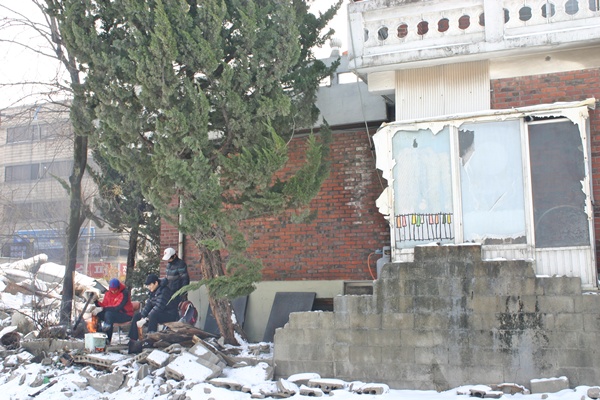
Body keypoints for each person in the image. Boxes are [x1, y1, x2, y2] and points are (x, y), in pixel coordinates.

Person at [128, 273, 179, 342]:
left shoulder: (164, 291)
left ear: (156, 283)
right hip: (160, 313)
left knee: (153, 315)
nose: (149, 287)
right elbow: (148, 305)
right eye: (148, 285)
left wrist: (146, 319)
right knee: (137, 316)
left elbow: (159, 307)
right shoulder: (153, 292)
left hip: (169, 314)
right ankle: (132, 339)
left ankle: (150, 339)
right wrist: (142, 316)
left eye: (150, 285)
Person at [92, 278, 133, 343]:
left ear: (118, 287)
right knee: (98, 314)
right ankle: (98, 334)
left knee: (109, 315)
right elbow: (104, 305)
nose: (113, 292)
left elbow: (118, 307)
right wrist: (96, 302)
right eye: (112, 290)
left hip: (125, 315)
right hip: (112, 314)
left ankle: (107, 339)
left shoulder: (124, 293)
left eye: (115, 290)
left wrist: (103, 309)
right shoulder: (108, 294)